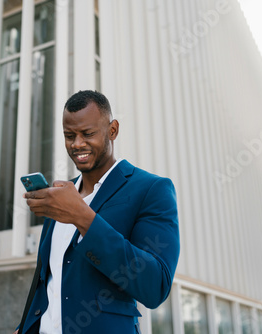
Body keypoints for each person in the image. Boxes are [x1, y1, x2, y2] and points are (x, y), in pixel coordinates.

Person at [15, 90, 180, 334]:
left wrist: (82, 216)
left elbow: (155, 286)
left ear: (113, 130)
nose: (77, 144)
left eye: (87, 134)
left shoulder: (151, 189)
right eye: (69, 135)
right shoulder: (62, 195)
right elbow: (47, 278)